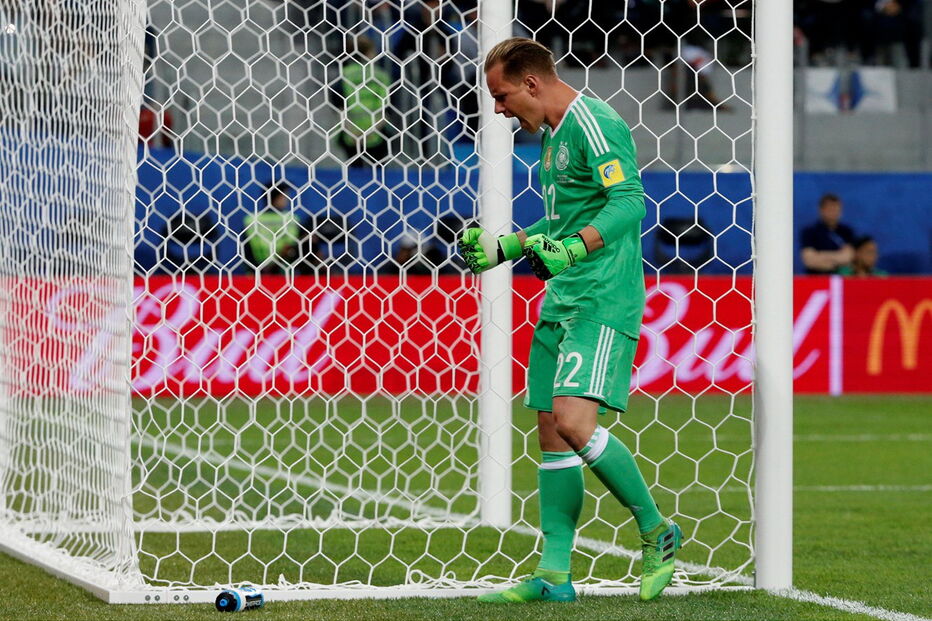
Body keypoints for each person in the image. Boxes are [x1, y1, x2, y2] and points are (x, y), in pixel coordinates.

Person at [457, 37, 681, 605]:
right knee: (552, 436)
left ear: (531, 83)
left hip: (603, 297)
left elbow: (631, 202)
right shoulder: (553, 136)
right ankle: (554, 576)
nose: (501, 109)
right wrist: (513, 244)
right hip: (565, 296)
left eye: (503, 96)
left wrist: (576, 251)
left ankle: (657, 530)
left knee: (575, 423)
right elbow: (569, 218)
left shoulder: (594, 122)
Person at [243, 182, 301, 274]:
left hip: (277, 268)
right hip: (266, 270)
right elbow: (246, 247)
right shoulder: (291, 219)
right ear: (276, 197)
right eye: (284, 196)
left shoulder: (251, 219)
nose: (287, 199)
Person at [799, 193, 856, 275]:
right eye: (830, 209)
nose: (833, 212)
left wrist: (820, 255)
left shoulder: (846, 231)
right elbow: (809, 260)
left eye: (836, 209)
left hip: (842, 278)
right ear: (821, 210)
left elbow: (849, 258)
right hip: (815, 278)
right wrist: (838, 259)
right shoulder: (810, 232)